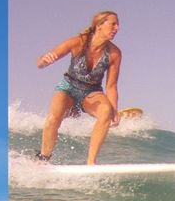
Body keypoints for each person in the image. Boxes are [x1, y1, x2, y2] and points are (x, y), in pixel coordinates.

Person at [35, 10, 123, 165]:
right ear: (99, 25)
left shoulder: (114, 53)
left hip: (91, 92)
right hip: (68, 88)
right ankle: (43, 158)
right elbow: (41, 62)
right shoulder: (78, 42)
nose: (117, 28)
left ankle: (91, 162)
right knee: (53, 119)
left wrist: (114, 109)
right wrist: (43, 61)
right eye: (113, 24)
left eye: (118, 24)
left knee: (105, 112)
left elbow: (111, 86)